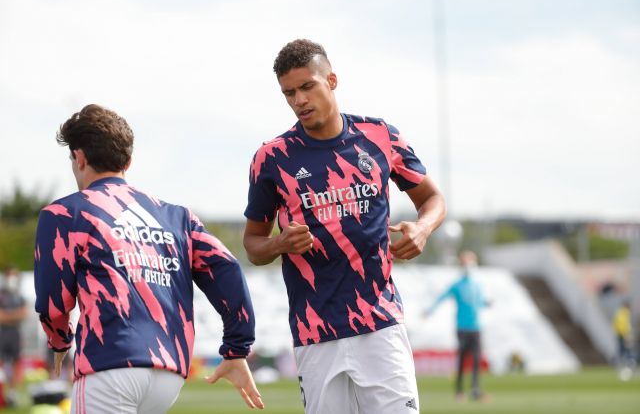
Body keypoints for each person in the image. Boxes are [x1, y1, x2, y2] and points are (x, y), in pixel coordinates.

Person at [243, 39, 446, 413]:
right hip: (314, 333)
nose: (299, 100)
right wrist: (278, 245)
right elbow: (253, 244)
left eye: (308, 87)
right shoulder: (271, 158)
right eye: (289, 93)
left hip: (380, 324)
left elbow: (433, 200)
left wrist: (422, 229)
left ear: (331, 81)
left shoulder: (380, 136)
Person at [34, 104, 264, 413]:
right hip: (169, 373)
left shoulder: (64, 213)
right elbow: (227, 268)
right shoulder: (178, 217)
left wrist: (60, 341)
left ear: (79, 157)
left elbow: (53, 302)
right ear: (128, 162)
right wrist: (237, 348)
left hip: (109, 365)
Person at [425, 250, 489, 401]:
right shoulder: (457, 285)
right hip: (462, 328)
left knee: (476, 359)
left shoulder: (477, 285)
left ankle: (475, 390)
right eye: (466, 262)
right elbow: (442, 297)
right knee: (462, 359)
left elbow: (480, 302)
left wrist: (488, 302)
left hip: (476, 327)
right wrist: (429, 310)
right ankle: (459, 391)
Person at [0, 267, 28, 407]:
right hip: (2, 334)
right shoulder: (2, 295)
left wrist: (9, 316)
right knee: (3, 363)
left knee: (17, 362)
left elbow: (24, 313)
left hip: (16, 334)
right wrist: (14, 316)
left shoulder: (19, 295)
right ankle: (3, 393)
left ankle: (13, 393)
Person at [612, 300, 634, 367]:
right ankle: (627, 362)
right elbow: (625, 325)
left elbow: (615, 324)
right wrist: (626, 334)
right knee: (626, 349)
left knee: (622, 349)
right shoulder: (625, 313)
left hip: (620, 333)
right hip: (623, 334)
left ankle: (622, 362)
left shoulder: (619, 312)